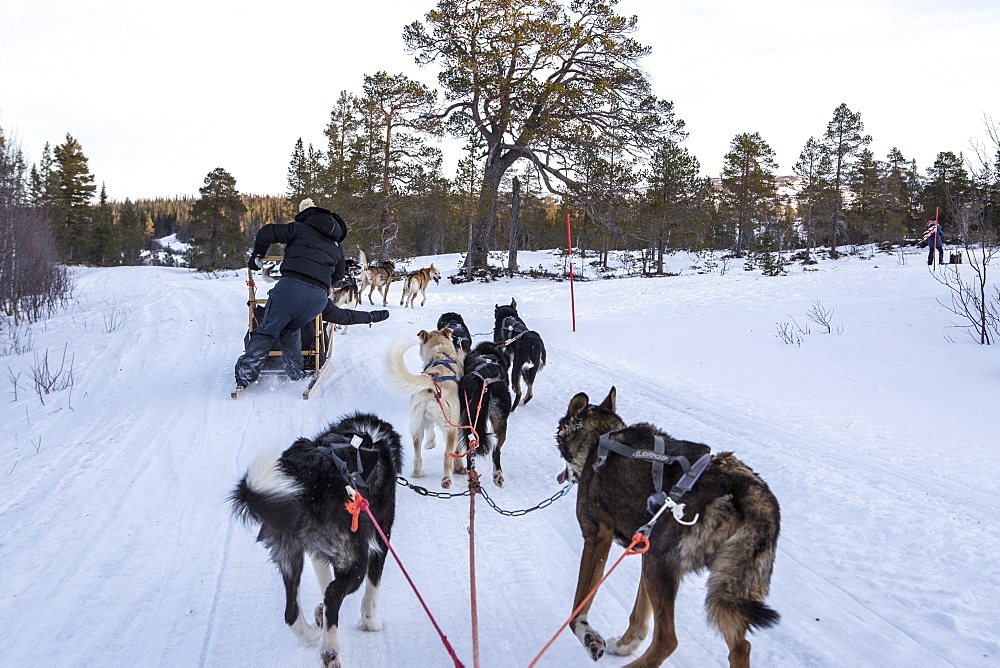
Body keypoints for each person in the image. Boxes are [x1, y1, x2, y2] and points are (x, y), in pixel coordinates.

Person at [235, 198, 389, 387]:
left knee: (267, 331)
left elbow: (267, 232)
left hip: (290, 288)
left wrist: (257, 256)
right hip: (317, 299)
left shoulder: (299, 228)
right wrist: (371, 316)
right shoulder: (336, 246)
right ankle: (294, 372)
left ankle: (245, 376)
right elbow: (340, 287)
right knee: (290, 329)